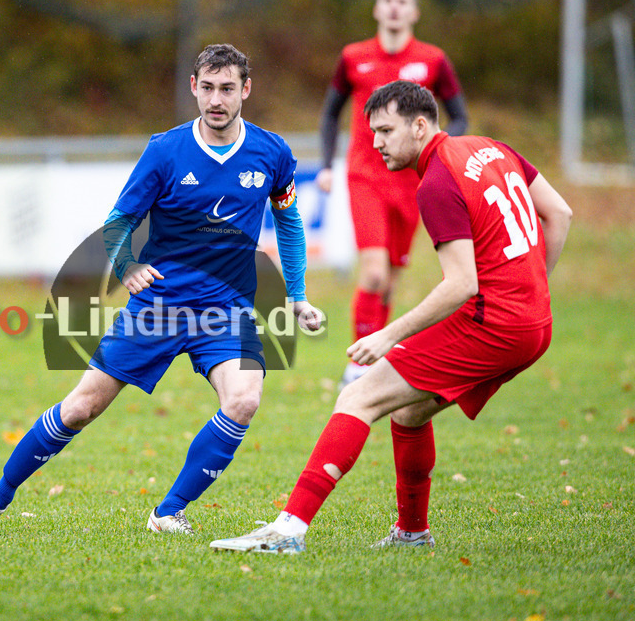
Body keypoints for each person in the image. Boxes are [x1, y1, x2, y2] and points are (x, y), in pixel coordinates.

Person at [0, 43, 324, 535]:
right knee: (81, 407)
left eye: (227, 88)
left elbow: (289, 219)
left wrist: (296, 295)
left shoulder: (272, 152)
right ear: (193, 87)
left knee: (244, 399)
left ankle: (169, 512)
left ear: (245, 90)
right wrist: (126, 267)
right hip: (159, 306)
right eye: (207, 87)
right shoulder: (165, 151)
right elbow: (118, 222)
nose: (216, 99)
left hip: (227, 310)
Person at [210, 80, 572, 554]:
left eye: (384, 130)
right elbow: (560, 213)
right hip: (533, 323)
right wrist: (531, 288)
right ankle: (412, 533)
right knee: (408, 409)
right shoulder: (492, 147)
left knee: (359, 396)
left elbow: (461, 284)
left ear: (420, 126)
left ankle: (287, 531)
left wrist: (387, 335)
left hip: (495, 323)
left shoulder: (439, 180)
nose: (375, 142)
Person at [315, 0, 469, 389]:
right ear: (377, 10)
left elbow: (459, 116)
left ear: (415, 12)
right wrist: (327, 164)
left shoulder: (433, 60)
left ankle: (374, 356)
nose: (395, 8)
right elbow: (331, 114)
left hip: (413, 184)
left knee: (391, 282)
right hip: (364, 176)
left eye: (403, 2)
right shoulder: (354, 57)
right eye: (388, 1)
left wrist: (443, 159)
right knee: (374, 273)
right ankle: (358, 364)